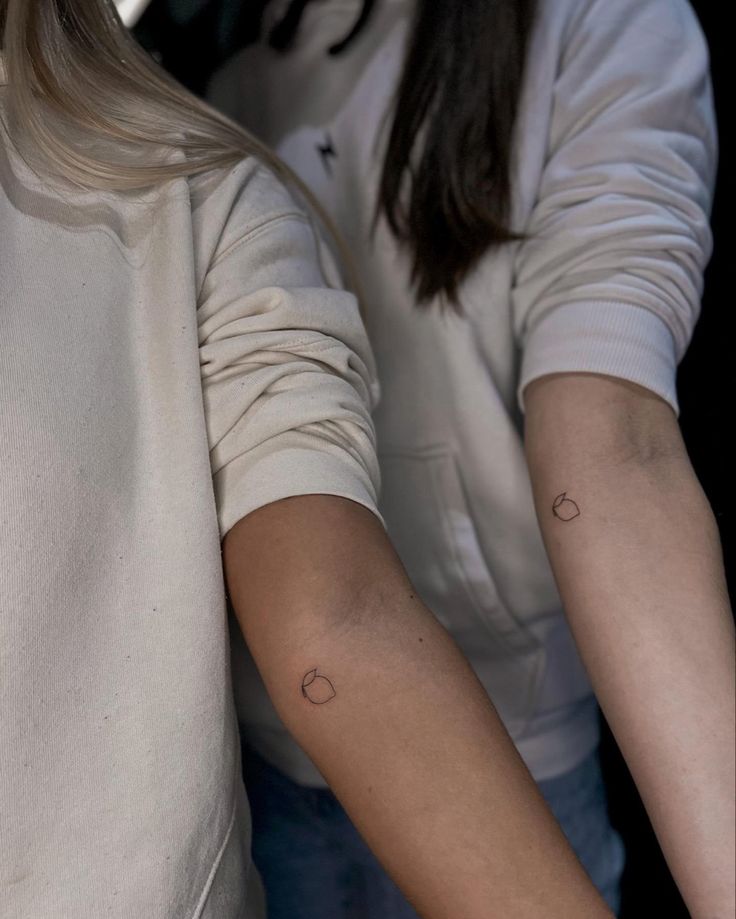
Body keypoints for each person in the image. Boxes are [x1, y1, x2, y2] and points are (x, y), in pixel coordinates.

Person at [0, 1, 622, 917]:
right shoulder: (238, 78)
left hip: (499, 730)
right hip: (295, 766)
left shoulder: (200, 190)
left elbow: (341, 613)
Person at [209, 0, 736, 916]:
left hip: (514, 748)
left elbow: (614, 435)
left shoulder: (604, 23)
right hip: (264, 756)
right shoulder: (227, 76)